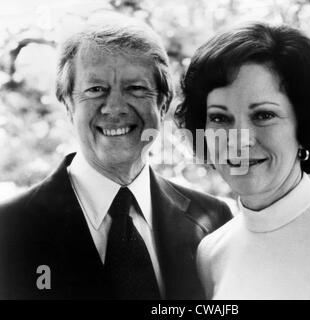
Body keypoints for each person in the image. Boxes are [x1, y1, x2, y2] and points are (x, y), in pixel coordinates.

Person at [0, 14, 232, 300]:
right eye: (96, 89)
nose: (114, 108)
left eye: (135, 88)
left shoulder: (213, 221)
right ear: (68, 104)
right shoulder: (9, 228)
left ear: (163, 103)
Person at [179, 22, 310, 299]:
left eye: (263, 115)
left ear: (303, 126)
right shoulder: (211, 253)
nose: (238, 140)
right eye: (220, 118)